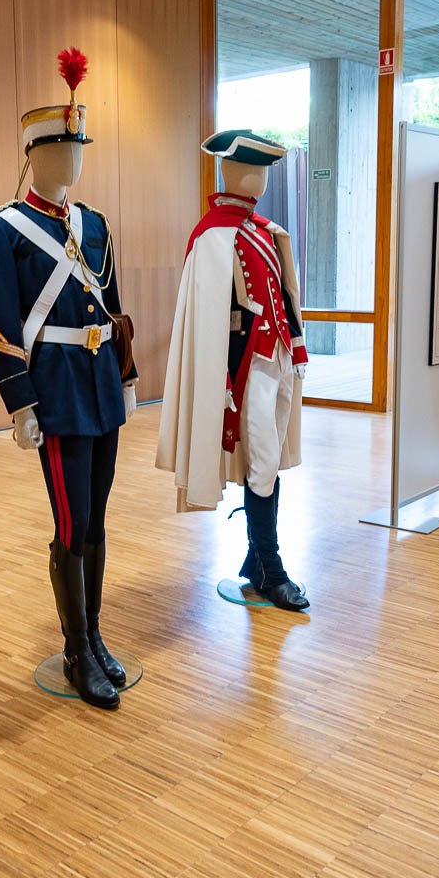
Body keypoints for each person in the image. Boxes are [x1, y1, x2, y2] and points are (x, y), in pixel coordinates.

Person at [0, 48, 138, 710]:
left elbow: (112, 297)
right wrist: (20, 402)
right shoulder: (2, 229)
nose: (71, 163)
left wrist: (126, 375)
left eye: (77, 151)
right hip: (58, 390)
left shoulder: (93, 223)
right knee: (71, 526)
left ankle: (94, 635)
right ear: (32, 155)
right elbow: (1, 319)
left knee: (97, 521)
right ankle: (74, 651)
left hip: (99, 383)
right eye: (59, 152)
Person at [156, 130, 310, 611]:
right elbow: (207, 320)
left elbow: (284, 298)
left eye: (263, 170)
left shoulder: (266, 230)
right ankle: (271, 568)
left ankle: (256, 558)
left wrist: (297, 349)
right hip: (245, 369)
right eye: (252, 169)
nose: (258, 179)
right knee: (263, 460)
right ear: (231, 171)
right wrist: (220, 378)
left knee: (270, 459)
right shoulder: (213, 237)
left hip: (276, 361)